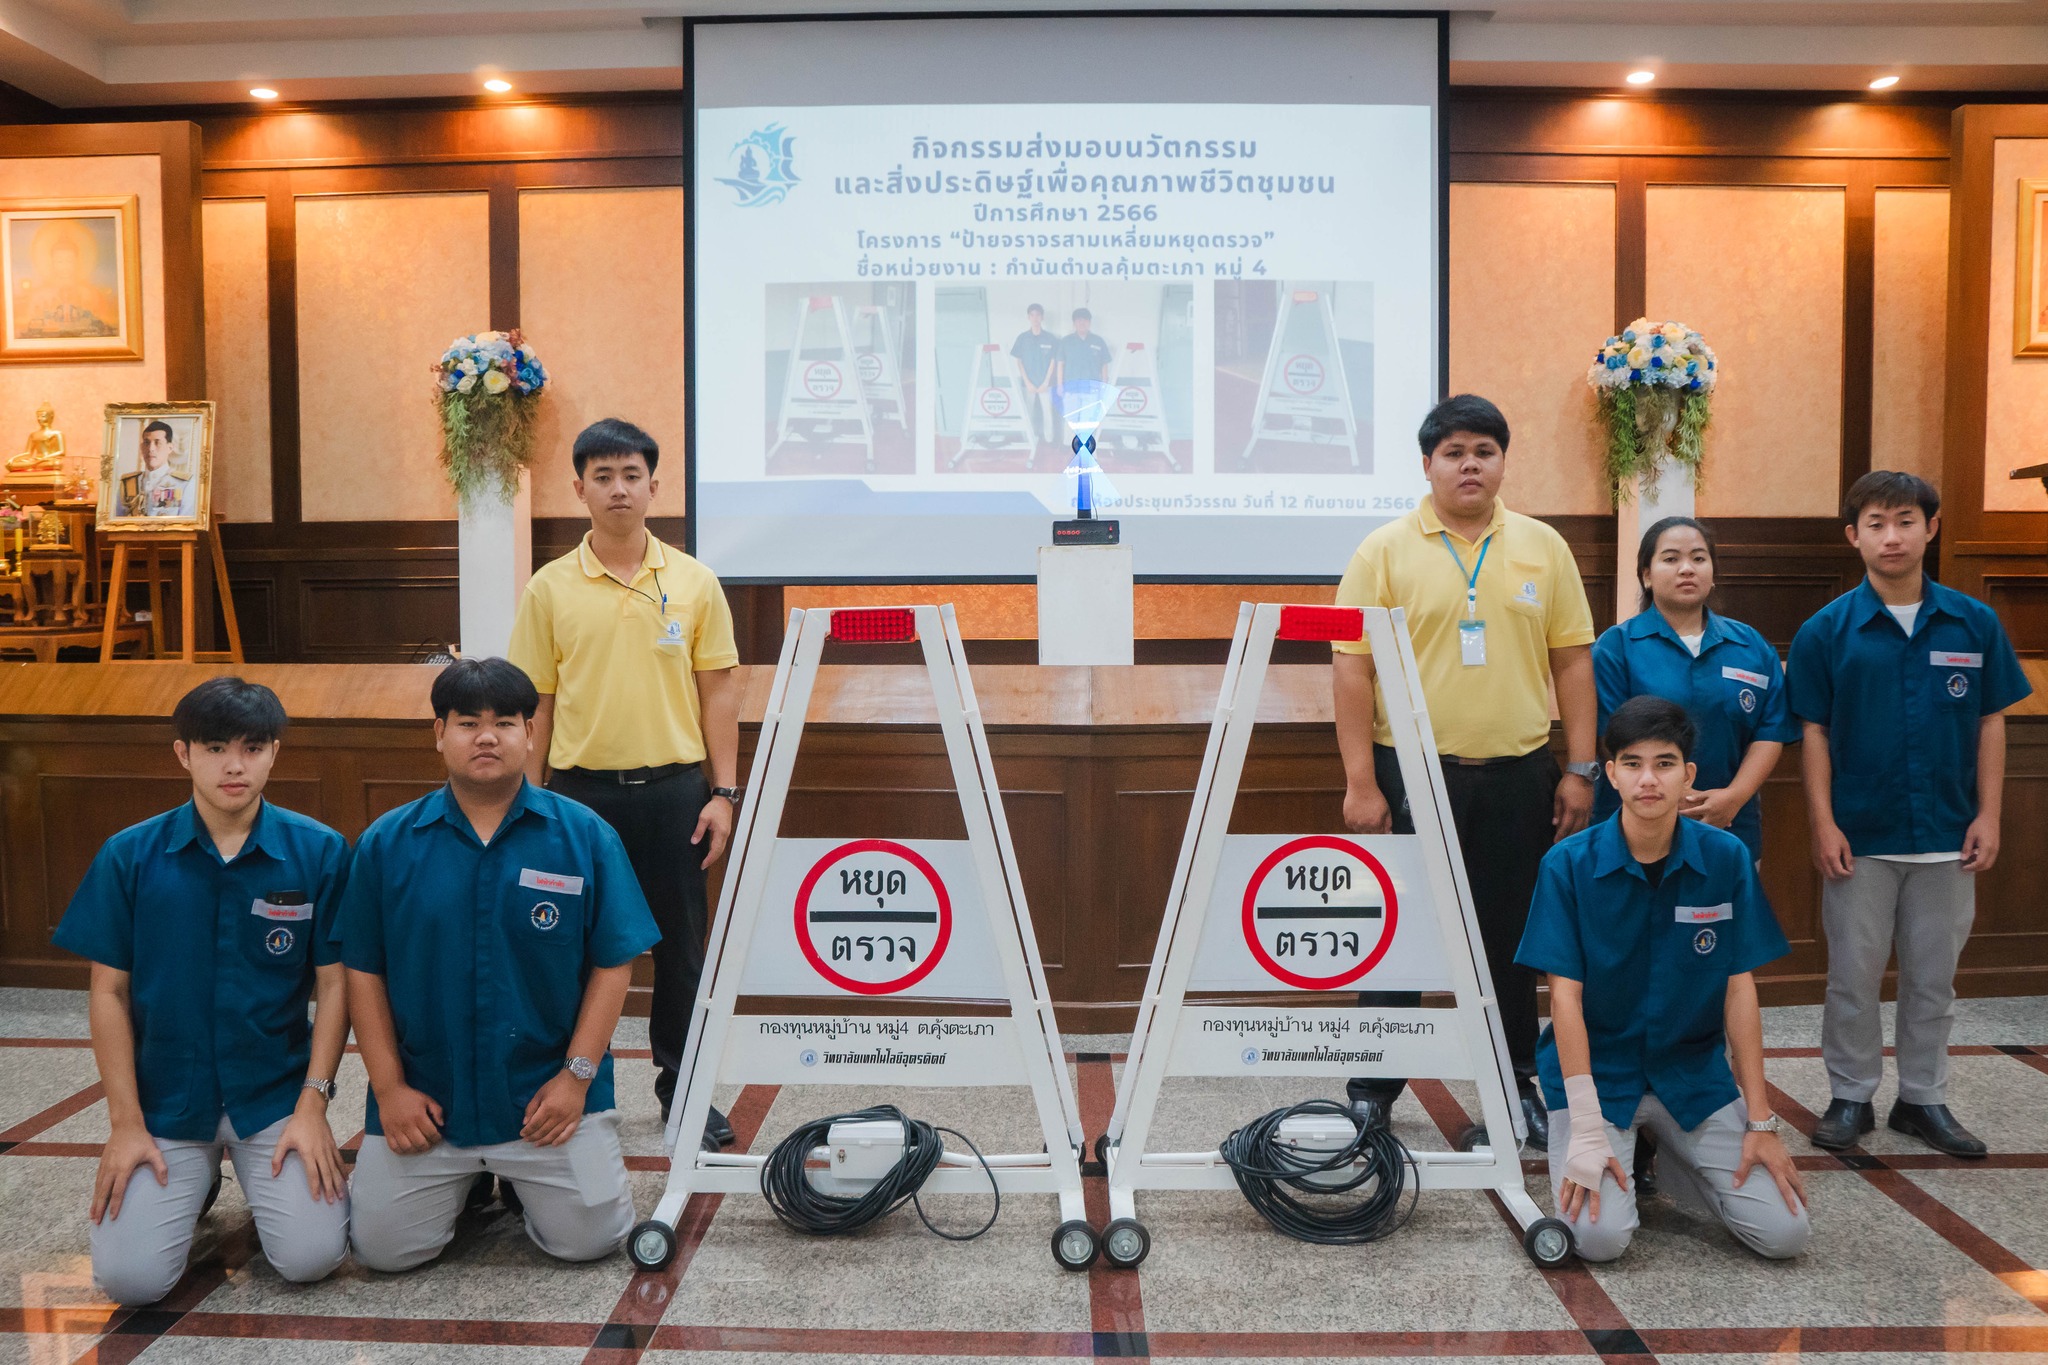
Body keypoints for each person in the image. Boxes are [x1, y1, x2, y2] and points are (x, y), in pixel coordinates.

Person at [1333, 393, 1599, 1149]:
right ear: (1428, 465)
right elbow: (1351, 671)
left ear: (1502, 461)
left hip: (1520, 773)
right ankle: (1372, 1088)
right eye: (1453, 452)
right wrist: (1361, 780)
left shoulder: (1542, 547)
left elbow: (1574, 660)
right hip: (1412, 771)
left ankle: (1512, 1081)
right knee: (1400, 934)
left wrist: (1580, 767)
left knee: (1512, 937)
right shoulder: (1383, 550)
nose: (1469, 464)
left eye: (1483, 450)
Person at [340, 658, 660, 1271]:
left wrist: (576, 1079)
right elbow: (363, 968)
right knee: (384, 1251)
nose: (486, 737)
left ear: (531, 734)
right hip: (429, 1103)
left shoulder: (584, 836)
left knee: (589, 1242)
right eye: (467, 723)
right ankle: (466, 1191)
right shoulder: (388, 842)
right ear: (439, 734)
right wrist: (389, 1091)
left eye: (505, 722)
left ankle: (518, 1183)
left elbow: (615, 963)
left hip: (544, 1101)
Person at [54, 678, 350, 1304]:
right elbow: (107, 994)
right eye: (215, 747)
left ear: (276, 752)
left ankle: (223, 1169)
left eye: (252, 746)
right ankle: (197, 1178)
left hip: (272, 1097)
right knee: (130, 1283)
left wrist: (314, 1105)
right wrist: (125, 1124)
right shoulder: (129, 855)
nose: (234, 765)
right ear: (183, 754)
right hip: (165, 1101)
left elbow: (334, 982)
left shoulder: (320, 851)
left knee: (311, 1259)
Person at [508, 418, 741, 1151]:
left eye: (631, 475)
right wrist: (530, 799)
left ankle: (685, 1088)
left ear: (654, 487)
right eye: (602, 476)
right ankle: (577, 1085)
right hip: (576, 798)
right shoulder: (549, 588)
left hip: (675, 793)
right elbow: (535, 703)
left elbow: (720, 694)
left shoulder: (695, 582)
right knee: (568, 950)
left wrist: (723, 793)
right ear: (578, 488)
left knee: (682, 950)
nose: (618, 488)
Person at [1514, 696, 1809, 1263]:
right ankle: (1629, 1146)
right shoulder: (1567, 866)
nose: (1648, 779)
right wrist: (1584, 1124)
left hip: (1690, 1074)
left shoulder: (1726, 859)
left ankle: (1672, 1155)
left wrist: (1761, 1120)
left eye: (1665, 763)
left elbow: (1739, 989)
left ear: (1688, 775)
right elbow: (1565, 1002)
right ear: (1613, 775)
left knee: (1786, 1233)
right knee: (1599, 1243)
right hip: (1599, 1077)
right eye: (1632, 763)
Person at [1788, 471, 2032, 1157]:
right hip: (1859, 835)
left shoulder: (1973, 621)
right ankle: (1851, 1094)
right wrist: (1822, 821)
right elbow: (1813, 731)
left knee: (1933, 977)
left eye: (1904, 520)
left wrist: (1990, 814)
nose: (1890, 535)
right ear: (1853, 536)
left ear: (1931, 527)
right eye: (1875, 522)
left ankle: (1924, 1097)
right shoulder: (1825, 630)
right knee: (1853, 975)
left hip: (1949, 836)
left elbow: (1990, 722)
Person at [1593, 517, 1795, 864]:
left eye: (1699, 558)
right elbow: (1608, 738)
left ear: (1713, 572)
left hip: (1730, 826)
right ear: (1646, 574)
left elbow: (1770, 730)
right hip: (1638, 832)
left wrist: (1733, 797)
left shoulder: (1751, 646)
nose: (1687, 568)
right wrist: (1674, 798)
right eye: (1671, 559)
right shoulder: (1616, 647)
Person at [1054, 307, 1113, 443]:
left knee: (1088, 421)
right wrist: (1059, 385)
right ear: (1074, 323)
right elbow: (1060, 364)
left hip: (1091, 389)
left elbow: (1104, 364)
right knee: (1071, 420)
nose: (1082, 323)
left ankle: (1085, 447)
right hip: (1070, 388)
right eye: (1079, 320)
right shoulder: (1066, 341)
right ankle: (1069, 445)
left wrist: (1104, 385)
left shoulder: (1098, 341)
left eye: (1085, 320)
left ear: (1089, 322)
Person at [115, 420, 195, 518]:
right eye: (146, 443)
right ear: (141, 447)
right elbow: (116, 520)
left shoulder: (184, 483)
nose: (150, 449)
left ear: (170, 448)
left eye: (158, 443)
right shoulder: (128, 482)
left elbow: (187, 524)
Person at [1009, 303, 1060, 446]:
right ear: (1028, 317)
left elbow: (1053, 361)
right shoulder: (1022, 338)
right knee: (1028, 413)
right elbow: (1019, 362)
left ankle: (1049, 439)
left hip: (1046, 384)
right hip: (1028, 384)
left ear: (1042, 317)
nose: (1035, 318)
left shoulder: (1050, 338)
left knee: (1048, 413)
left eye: (1038, 315)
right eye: (1032, 315)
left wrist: (1045, 382)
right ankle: (1029, 439)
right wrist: (1028, 382)